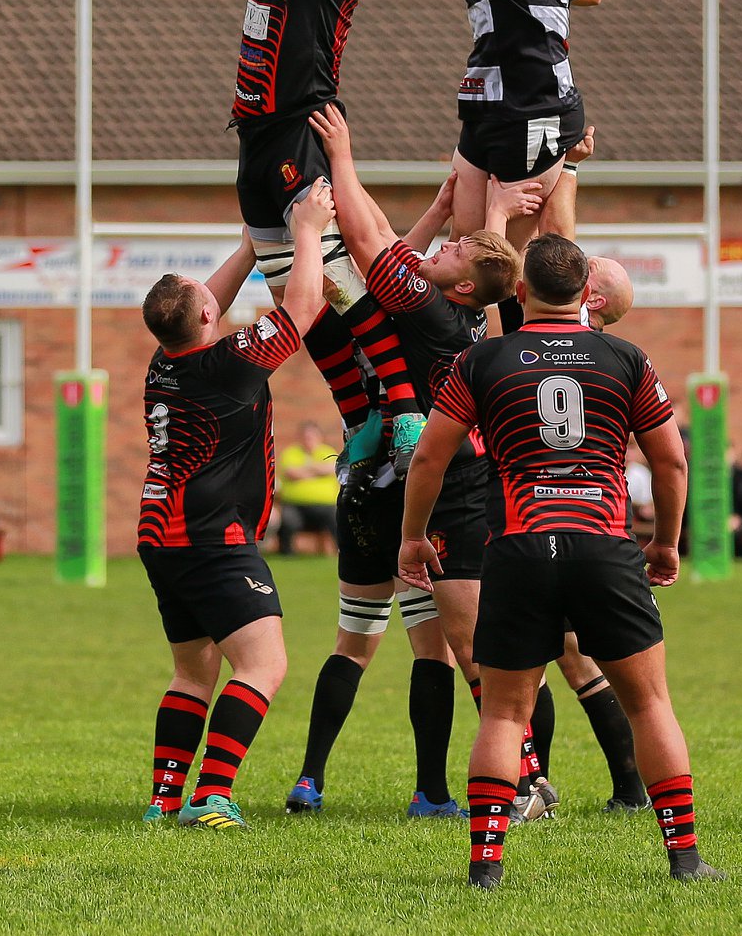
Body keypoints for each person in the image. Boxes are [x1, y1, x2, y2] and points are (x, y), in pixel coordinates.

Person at [400, 234, 723, 890]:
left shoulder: (483, 359)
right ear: (585, 296)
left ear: (520, 294)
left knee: (502, 713)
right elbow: (671, 460)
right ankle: (685, 859)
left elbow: (430, 456)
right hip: (604, 545)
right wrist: (665, 541)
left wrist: (413, 535)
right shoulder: (626, 358)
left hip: (518, 547)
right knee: (650, 704)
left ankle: (486, 867)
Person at [284, 102, 526, 819]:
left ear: (455, 288)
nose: (441, 245)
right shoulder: (448, 316)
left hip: (368, 485)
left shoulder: (406, 311)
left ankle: (310, 779)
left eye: (453, 251)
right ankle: (435, 791)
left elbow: (370, 247)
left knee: (354, 640)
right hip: (416, 497)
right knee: (436, 653)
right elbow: (412, 262)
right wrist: (487, 217)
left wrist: (343, 159)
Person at [207, 0, 425, 477]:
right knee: (282, 276)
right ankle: (359, 417)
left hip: (301, 124)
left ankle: (402, 410)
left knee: (334, 278)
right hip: (256, 136)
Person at [138, 187, 331, 829]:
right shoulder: (229, 363)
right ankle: (214, 795)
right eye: (207, 301)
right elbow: (303, 306)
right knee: (263, 664)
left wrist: (252, 243)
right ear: (202, 321)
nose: (214, 300)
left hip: (161, 535)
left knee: (193, 672)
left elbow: (202, 304)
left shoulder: (164, 363)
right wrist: (307, 228)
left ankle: (166, 799)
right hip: (210, 537)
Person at [345, 0, 603, 248]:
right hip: (487, 104)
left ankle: (545, 313)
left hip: (533, 109)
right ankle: (465, 313)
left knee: (504, 257)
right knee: (464, 243)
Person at [275, 422, 338, 555]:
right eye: (305, 436)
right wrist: (318, 471)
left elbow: (332, 468)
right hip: (296, 506)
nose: (308, 439)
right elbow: (291, 473)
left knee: (338, 519)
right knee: (288, 520)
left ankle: (342, 552)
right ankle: (286, 554)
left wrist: (306, 469)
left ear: (319, 436)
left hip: (326, 506)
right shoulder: (290, 453)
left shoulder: (328, 452)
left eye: (312, 436)